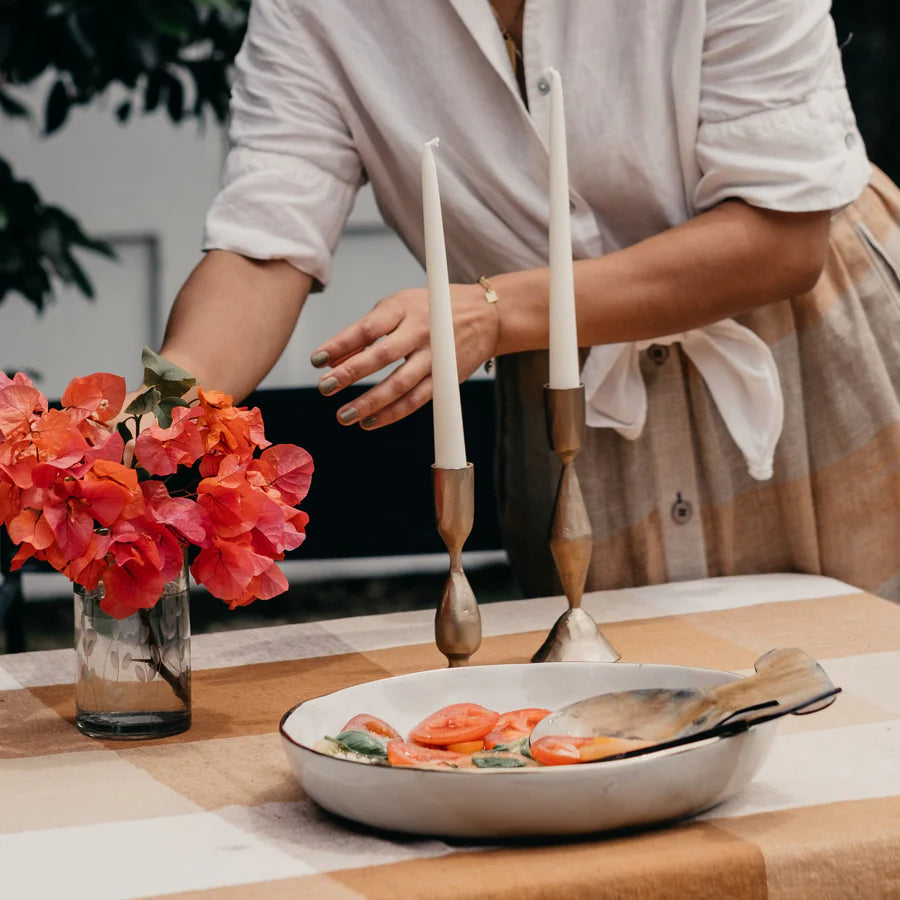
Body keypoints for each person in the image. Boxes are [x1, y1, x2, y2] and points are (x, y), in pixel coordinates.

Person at [155, 0, 900, 602]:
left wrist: (497, 312)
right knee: (614, 714)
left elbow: (782, 239)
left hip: (815, 357)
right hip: (568, 394)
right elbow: (263, 246)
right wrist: (152, 421)